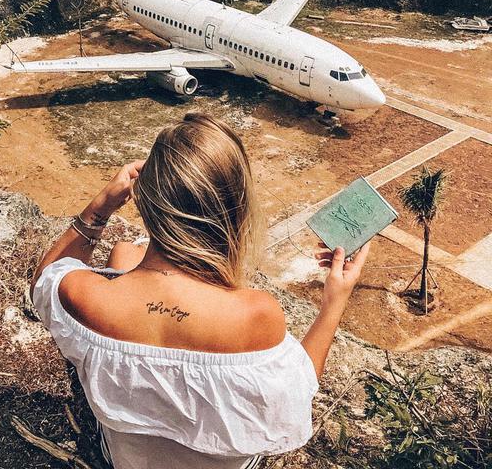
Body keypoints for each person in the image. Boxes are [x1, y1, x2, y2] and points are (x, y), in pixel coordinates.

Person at [31, 113, 370, 468]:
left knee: (123, 255)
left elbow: (46, 280)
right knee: (125, 257)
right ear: (236, 211)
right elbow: (298, 387)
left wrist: (100, 207)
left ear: (144, 200)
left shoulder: (86, 297)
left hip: (122, 460)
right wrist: (335, 300)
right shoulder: (257, 314)